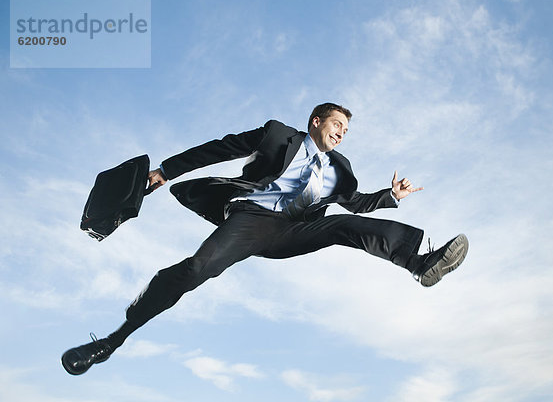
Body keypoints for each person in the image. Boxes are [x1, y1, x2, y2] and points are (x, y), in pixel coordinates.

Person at [61, 102, 468, 376]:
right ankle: (114, 340)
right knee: (195, 269)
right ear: (316, 122)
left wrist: (390, 196)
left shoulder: (341, 169)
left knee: (342, 226)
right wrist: (166, 170)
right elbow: (220, 148)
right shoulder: (277, 135)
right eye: (337, 124)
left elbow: (355, 203)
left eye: (347, 129)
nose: (343, 133)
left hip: (297, 229)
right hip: (253, 218)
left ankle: (419, 262)